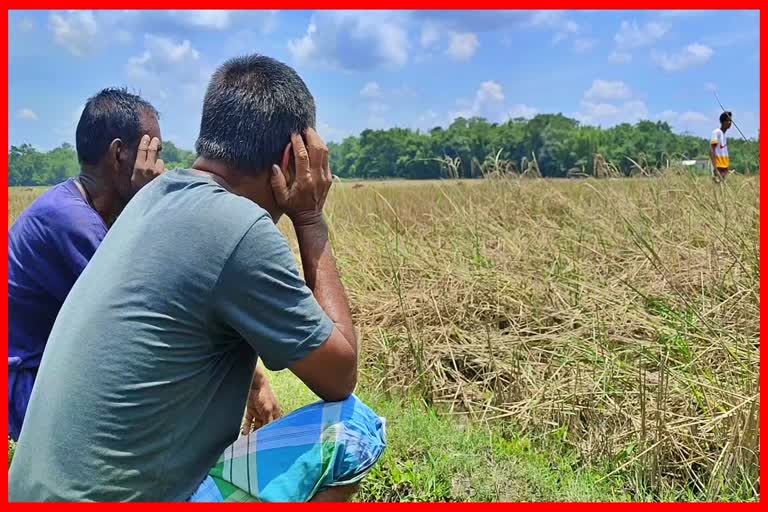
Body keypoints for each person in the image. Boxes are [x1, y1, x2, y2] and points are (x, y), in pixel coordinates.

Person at [9, 55, 385, 502]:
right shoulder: (241, 227)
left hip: (28, 495)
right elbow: (340, 375)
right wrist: (310, 220)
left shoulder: (146, 202)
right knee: (355, 429)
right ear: (293, 157)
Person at [8, 88, 166, 441]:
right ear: (119, 153)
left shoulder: (80, 207)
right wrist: (150, 204)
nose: (159, 169)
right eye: (152, 152)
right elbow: (147, 315)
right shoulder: (71, 221)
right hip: (21, 389)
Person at [710, 111, 732, 183]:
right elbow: (711, 150)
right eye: (727, 120)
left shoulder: (723, 135)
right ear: (722, 122)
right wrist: (715, 168)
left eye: (730, 120)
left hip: (724, 167)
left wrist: (727, 168)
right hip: (718, 166)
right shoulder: (716, 132)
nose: (730, 122)